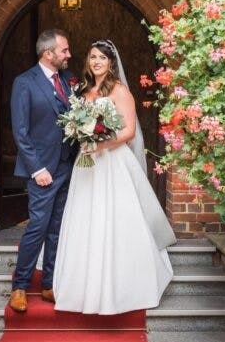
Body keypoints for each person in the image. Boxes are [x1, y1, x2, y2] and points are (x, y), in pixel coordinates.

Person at [53, 39, 177, 315]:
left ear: (111, 63)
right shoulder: (83, 91)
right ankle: (81, 287)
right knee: (85, 219)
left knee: (114, 218)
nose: (96, 62)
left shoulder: (120, 91)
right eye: (93, 57)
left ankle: (122, 287)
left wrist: (98, 144)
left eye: (102, 58)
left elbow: (129, 132)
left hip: (111, 163)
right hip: (86, 166)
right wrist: (81, 134)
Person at [9, 28, 78, 313]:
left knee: (57, 228)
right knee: (37, 226)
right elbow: (21, 132)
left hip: (67, 165)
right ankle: (20, 286)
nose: (69, 55)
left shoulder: (66, 80)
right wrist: (37, 169)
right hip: (43, 171)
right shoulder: (24, 82)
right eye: (64, 50)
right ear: (48, 53)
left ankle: (49, 283)